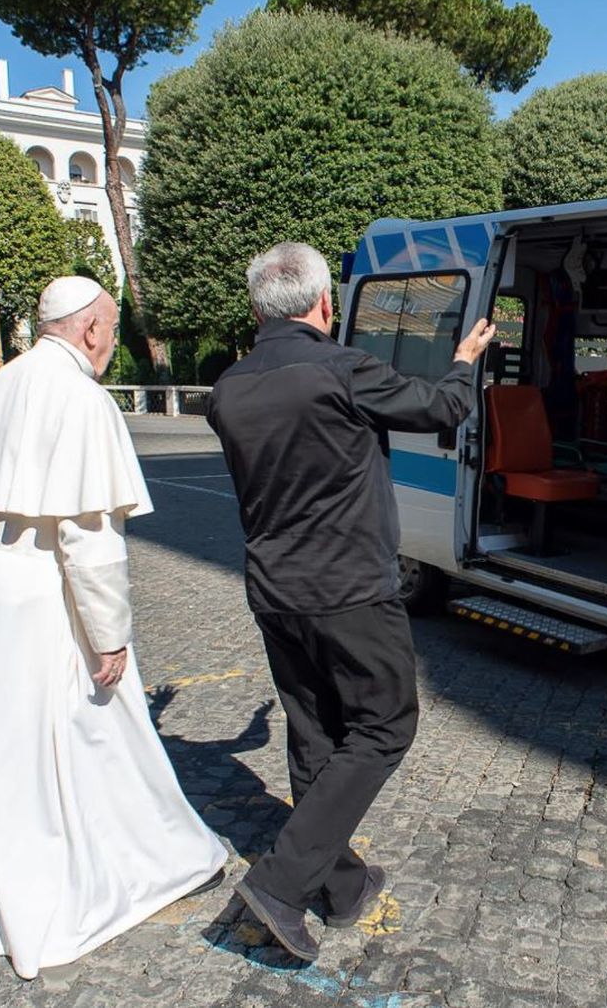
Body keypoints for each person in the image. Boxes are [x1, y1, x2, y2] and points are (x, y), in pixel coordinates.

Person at [0, 276, 227, 980]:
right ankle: (82, 883)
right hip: (30, 588)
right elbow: (90, 539)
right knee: (75, 738)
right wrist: (108, 637)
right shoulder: (81, 397)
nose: (111, 341)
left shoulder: (6, 379)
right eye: (110, 327)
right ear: (91, 330)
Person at [208, 242, 496, 961]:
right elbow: (442, 409)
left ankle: (339, 886)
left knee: (316, 735)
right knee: (383, 726)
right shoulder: (341, 369)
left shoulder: (229, 388)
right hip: (349, 587)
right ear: (325, 305)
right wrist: (464, 358)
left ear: (254, 309)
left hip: (274, 587)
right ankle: (279, 883)